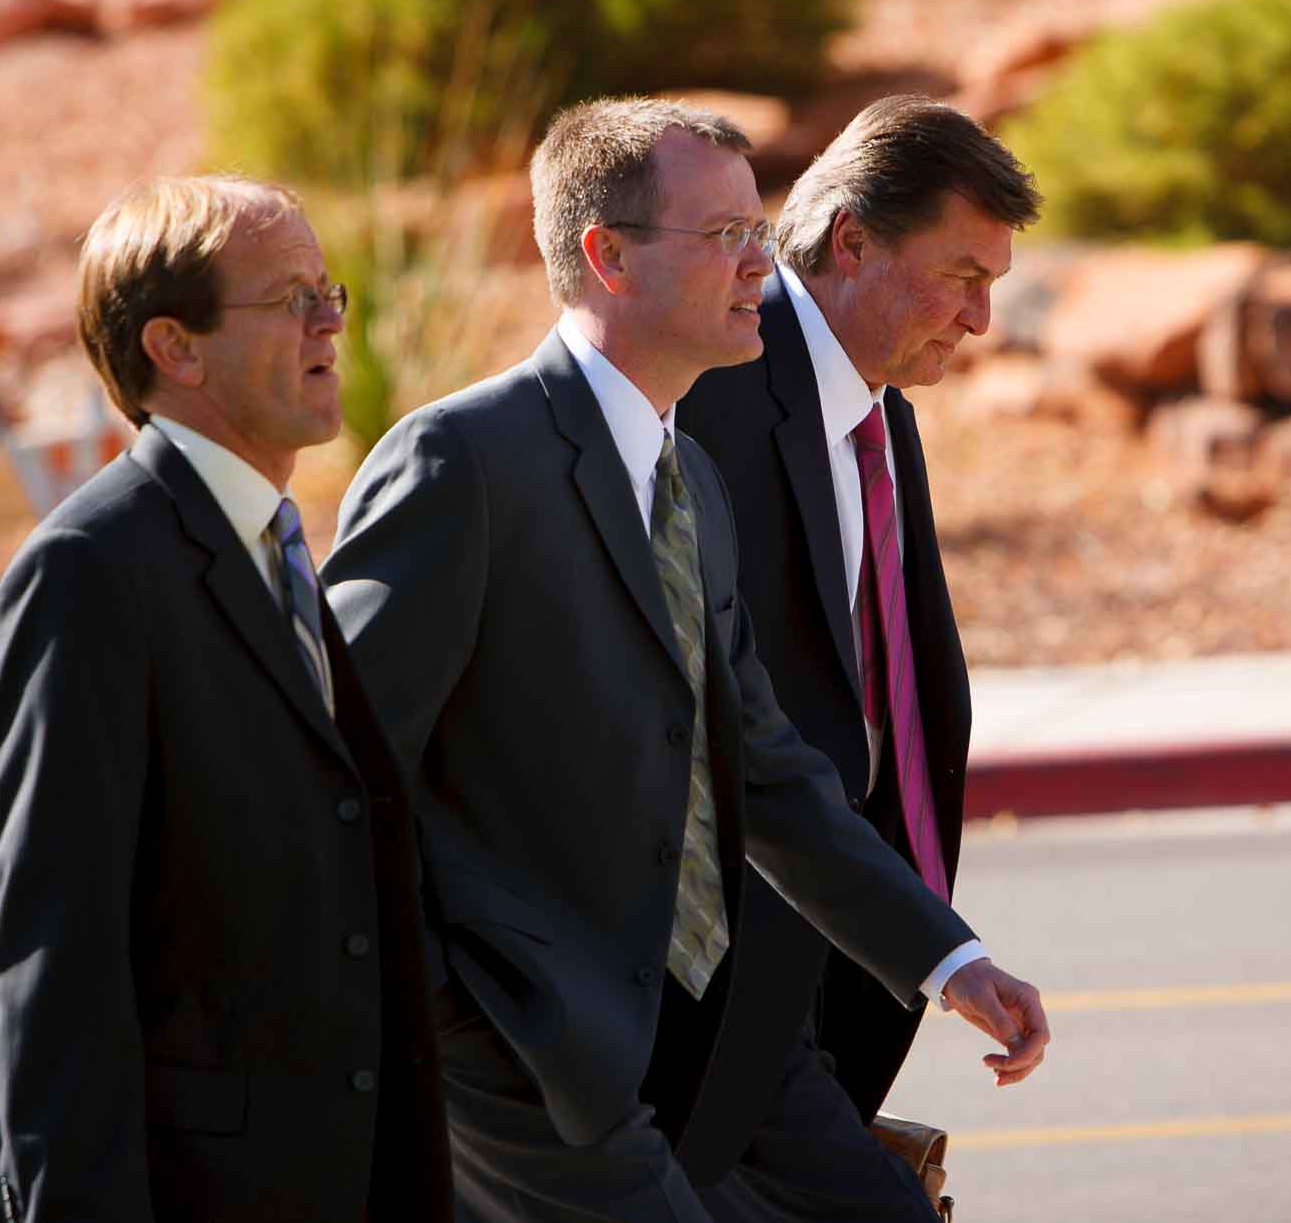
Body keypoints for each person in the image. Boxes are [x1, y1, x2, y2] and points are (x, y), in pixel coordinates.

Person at [320, 96, 1049, 1222]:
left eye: (760, 233)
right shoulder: (460, 460)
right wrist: (459, 1021)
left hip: (706, 1031)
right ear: (607, 257)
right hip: (526, 1059)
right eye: (727, 239)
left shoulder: (687, 480)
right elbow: (339, 775)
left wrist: (945, 959)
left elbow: (761, 762)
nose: (763, 264)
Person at [0, 176, 451, 1223]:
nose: (331, 322)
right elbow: (53, 959)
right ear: (177, 347)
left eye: (327, 291)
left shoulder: (274, 550)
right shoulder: (89, 571)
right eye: (291, 297)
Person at [674, 95, 1042, 1220]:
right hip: (728, 992)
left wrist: (931, 948)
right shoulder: (708, 400)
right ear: (851, 242)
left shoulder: (885, 414)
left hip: (845, 963)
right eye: (962, 276)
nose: (981, 321)